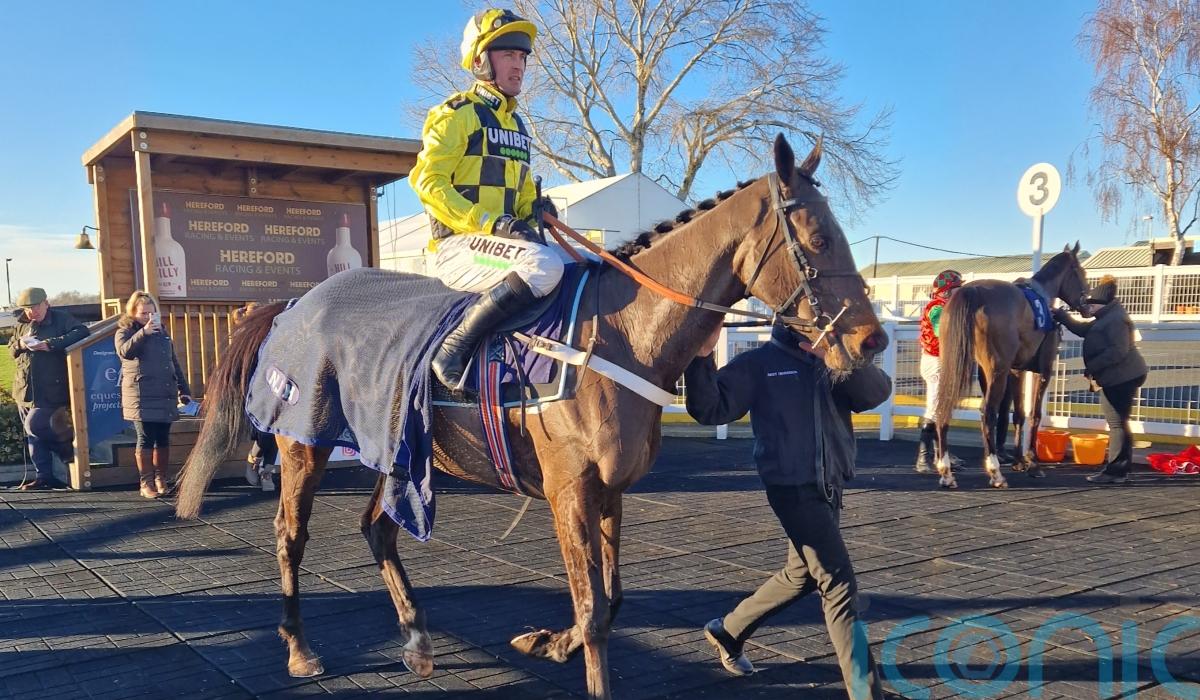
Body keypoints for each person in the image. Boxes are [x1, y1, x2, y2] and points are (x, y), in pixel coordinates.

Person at [685, 322, 889, 700]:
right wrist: (701, 355)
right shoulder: (760, 363)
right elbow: (710, 407)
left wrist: (841, 358)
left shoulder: (832, 360)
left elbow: (875, 394)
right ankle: (865, 692)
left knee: (801, 576)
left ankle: (728, 631)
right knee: (838, 585)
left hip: (831, 485)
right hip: (791, 489)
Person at [409, 7, 564, 390]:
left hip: (501, 248)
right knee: (545, 266)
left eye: (523, 56)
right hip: (459, 248)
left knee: (586, 263)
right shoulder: (456, 114)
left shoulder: (517, 125)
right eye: (509, 54)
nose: (519, 65)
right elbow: (428, 183)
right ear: (480, 60)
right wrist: (492, 223)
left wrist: (536, 211)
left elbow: (521, 195)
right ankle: (453, 348)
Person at [1052, 275, 1147, 484]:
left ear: (1101, 304)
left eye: (1091, 305)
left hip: (1121, 377)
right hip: (1121, 375)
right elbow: (1084, 330)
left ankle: (1115, 471)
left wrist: (1092, 367)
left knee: (1116, 424)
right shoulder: (1108, 317)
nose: (1089, 308)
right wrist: (1062, 316)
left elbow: (1118, 351)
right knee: (1119, 423)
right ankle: (1120, 469)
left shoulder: (1115, 321)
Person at [9, 287, 89, 490]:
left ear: (46, 303)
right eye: (28, 308)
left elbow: (82, 332)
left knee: (34, 425)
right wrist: (20, 344)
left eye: (36, 307)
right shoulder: (21, 324)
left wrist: (51, 344)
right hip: (25, 389)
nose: (32, 312)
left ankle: (65, 448)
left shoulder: (62, 319)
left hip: (52, 388)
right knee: (32, 435)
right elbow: (11, 350)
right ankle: (44, 476)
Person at [116, 291, 191, 498]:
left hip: (164, 392)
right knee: (146, 437)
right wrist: (144, 332)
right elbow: (124, 352)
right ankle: (146, 483)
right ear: (133, 312)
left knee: (163, 438)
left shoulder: (162, 332)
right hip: (141, 394)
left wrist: (184, 390)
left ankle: (161, 479)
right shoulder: (125, 331)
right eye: (143, 313)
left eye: (151, 313)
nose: (148, 317)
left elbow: (172, 362)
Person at [915, 270, 964, 474]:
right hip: (935, 362)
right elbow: (940, 331)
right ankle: (923, 458)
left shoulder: (943, 306)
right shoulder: (937, 308)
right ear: (947, 291)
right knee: (934, 409)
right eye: (957, 288)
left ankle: (940, 454)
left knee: (942, 410)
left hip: (940, 361)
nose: (960, 291)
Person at [232, 302, 278, 492]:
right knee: (264, 435)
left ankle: (267, 472)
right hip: (252, 393)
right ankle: (253, 459)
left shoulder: (273, 334)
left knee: (275, 434)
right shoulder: (242, 337)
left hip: (273, 390)